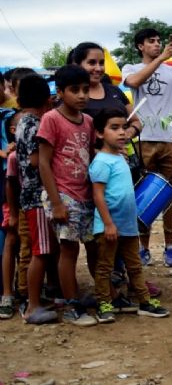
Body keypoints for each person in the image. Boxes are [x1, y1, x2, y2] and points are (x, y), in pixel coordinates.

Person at [121, 28, 172, 268]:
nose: (157, 44)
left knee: (169, 195)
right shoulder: (130, 68)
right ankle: (143, 247)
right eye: (151, 41)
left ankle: (170, 246)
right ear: (140, 46)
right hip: (144, 140)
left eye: (159, 41)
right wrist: (161, 57)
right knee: (142, 195)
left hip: (171, 139)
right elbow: (133, 82)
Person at [90, 108, 170, 322]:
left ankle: (144, 302)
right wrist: (108, 224)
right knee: (105, 266)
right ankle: (104, 303)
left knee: (134, 265)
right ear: (99, 133)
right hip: (109, 225)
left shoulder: (120, 158)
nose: (122, 132)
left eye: (124, 127)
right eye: (114, 128)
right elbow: (98, 195)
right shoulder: (101, 162)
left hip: (128, 225)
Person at [38, 65, 97, 327]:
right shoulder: (51, 119)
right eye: (75, 90)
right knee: (70, 249)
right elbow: (43, 163)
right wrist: (57, 202)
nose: (82, 95)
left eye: (85, 90)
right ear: (60, 92)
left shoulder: (88, 121)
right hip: (63, 194)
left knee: (92, 246)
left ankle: (99, 294)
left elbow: (91, 157)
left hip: (85, 193)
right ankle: (72, 306)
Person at [16, 74, 58, 324]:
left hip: (32, 195)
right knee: (40, 251)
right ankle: (32, 306)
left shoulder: (23, 121)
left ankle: (41, 298)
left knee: (44, 249)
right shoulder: (34, 124)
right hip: (37, 197)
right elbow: (35, 159)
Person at [0, 111, 22, 319]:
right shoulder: (13, 154)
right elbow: (10, 183)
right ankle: (7, 293)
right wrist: (13, 212)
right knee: (11, 240)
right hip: (12, 203)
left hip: (32, 204)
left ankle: (22, 288)